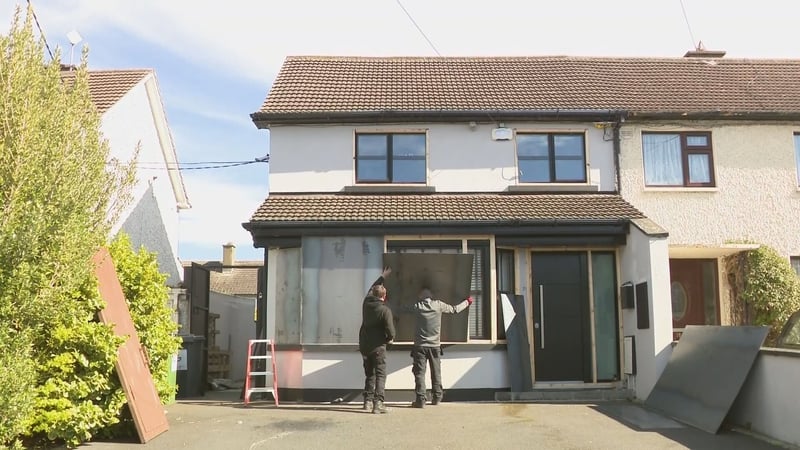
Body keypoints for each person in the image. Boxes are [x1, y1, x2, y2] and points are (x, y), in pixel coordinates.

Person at [402, 287, 473, 408]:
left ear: (420, 296)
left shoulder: (417, 306)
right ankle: (437, 398)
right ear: (432, 296)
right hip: (435, 346)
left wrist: (386, 301)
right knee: (436, 372)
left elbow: (401, 310)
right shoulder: (439, 305)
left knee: (419, 373)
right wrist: (468, 302)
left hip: (420, 346)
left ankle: (420, 400)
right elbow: (455, 310)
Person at [358, 267, 395, 414]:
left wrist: (382, 277)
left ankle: (367, 401)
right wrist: (389, 339)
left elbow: (370, 289)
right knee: (380, 374)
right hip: (378, 347)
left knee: (369, 374)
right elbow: (391, 331)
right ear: (384, 296)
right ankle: (378, 404)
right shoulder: (385, 311)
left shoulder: (366, 303)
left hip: (365, 346)